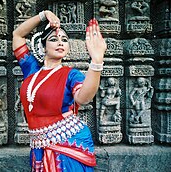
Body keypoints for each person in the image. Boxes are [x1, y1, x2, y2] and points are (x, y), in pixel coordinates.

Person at [12, 10, 106, 171]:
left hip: (69, 143)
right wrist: (43, 15)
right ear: (43, 47)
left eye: (64, 40)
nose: (60, 43)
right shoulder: (31, 69)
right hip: (39, 145)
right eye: (54, 39)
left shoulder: (71, 75)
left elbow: (83, 98)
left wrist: (96, 62)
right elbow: (17, 35)